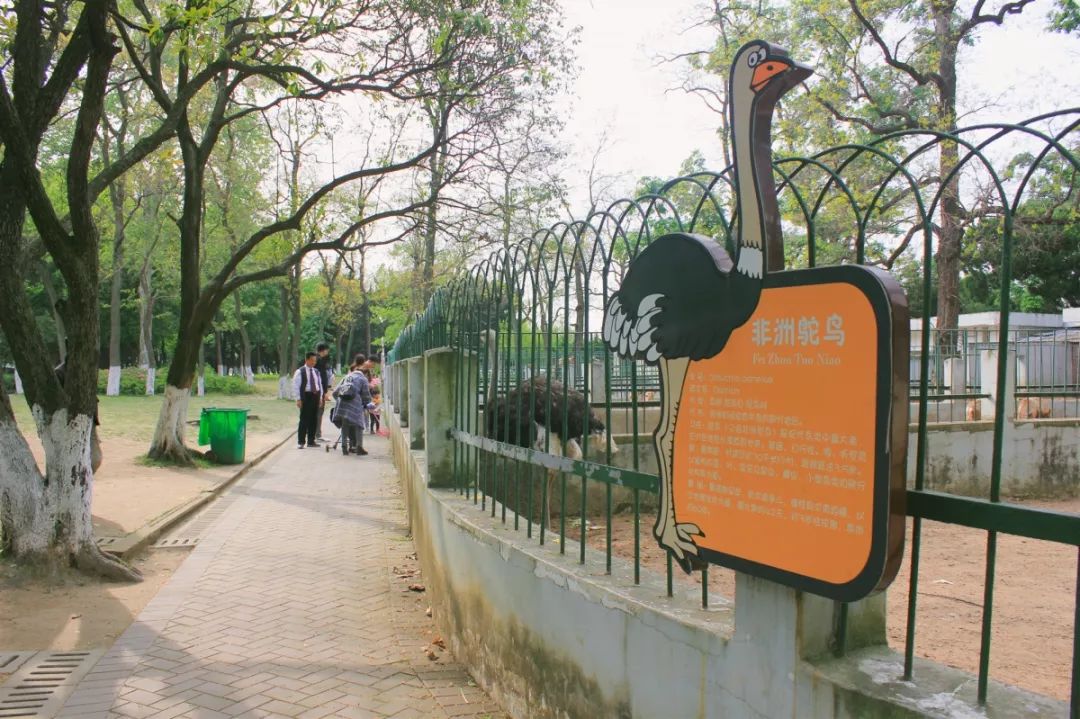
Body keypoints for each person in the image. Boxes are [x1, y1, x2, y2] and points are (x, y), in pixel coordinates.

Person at [333, 353, 374, 456]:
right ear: (364, 373)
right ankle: (359, 447)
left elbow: (335, 392)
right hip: (354, 404)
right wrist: (366, 404)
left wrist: (339, 401)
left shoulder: (347, 376)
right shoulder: (362, 379)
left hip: (341, 404)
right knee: (359, 424)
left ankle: (344, 448)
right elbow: (366, 396)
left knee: (345, 424)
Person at [292, 351, 323, 448]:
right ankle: (301, 442)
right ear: (307, 360)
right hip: (306, 396)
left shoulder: (316, 371)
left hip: (316, 396)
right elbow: (296, 386)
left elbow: (319, 385)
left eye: (315, 361)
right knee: (304, 419)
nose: (314, 362)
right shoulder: (300, 371)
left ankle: (311, 441)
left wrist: (321, 397)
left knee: (314, 419)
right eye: (312, 360)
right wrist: (298, 399)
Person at [314, 342, 334, 441]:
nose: (328, 352)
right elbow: (320, 377)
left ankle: (316, 433)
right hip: (318, 391)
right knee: (318, 411)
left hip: (320, 390)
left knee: (319, 411)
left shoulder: (320, 361)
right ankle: (316, 434)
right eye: (327, 350)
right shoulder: (318, 361)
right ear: (323, 350)